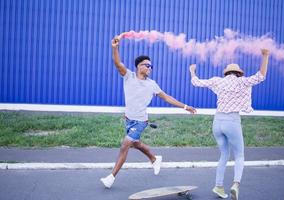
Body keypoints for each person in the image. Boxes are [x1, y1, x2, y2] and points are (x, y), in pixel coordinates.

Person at [101, 34, 197, 188]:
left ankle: (111, 177)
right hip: (128, 119)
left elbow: (167, 98)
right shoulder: (129, 77)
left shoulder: (152, 84)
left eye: (151, 66)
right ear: (139, 66)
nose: (150, 68)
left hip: (140, 121)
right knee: (136, 143)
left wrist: (185, 107)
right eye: (147, 65)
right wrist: (115, 48)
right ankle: (154, 158)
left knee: (125, 144)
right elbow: (117, 63)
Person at [189, 49, 270, 200]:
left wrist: (192, 71)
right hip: (232, 121)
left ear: (226, 73)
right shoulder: (243, 82)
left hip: (217, 121)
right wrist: (265, 56)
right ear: (239, 73)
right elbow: (261, 76)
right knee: (239, 155)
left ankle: (218, 186)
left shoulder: (218, 81)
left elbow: (196, 82)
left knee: (224, 155)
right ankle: (236, 184)